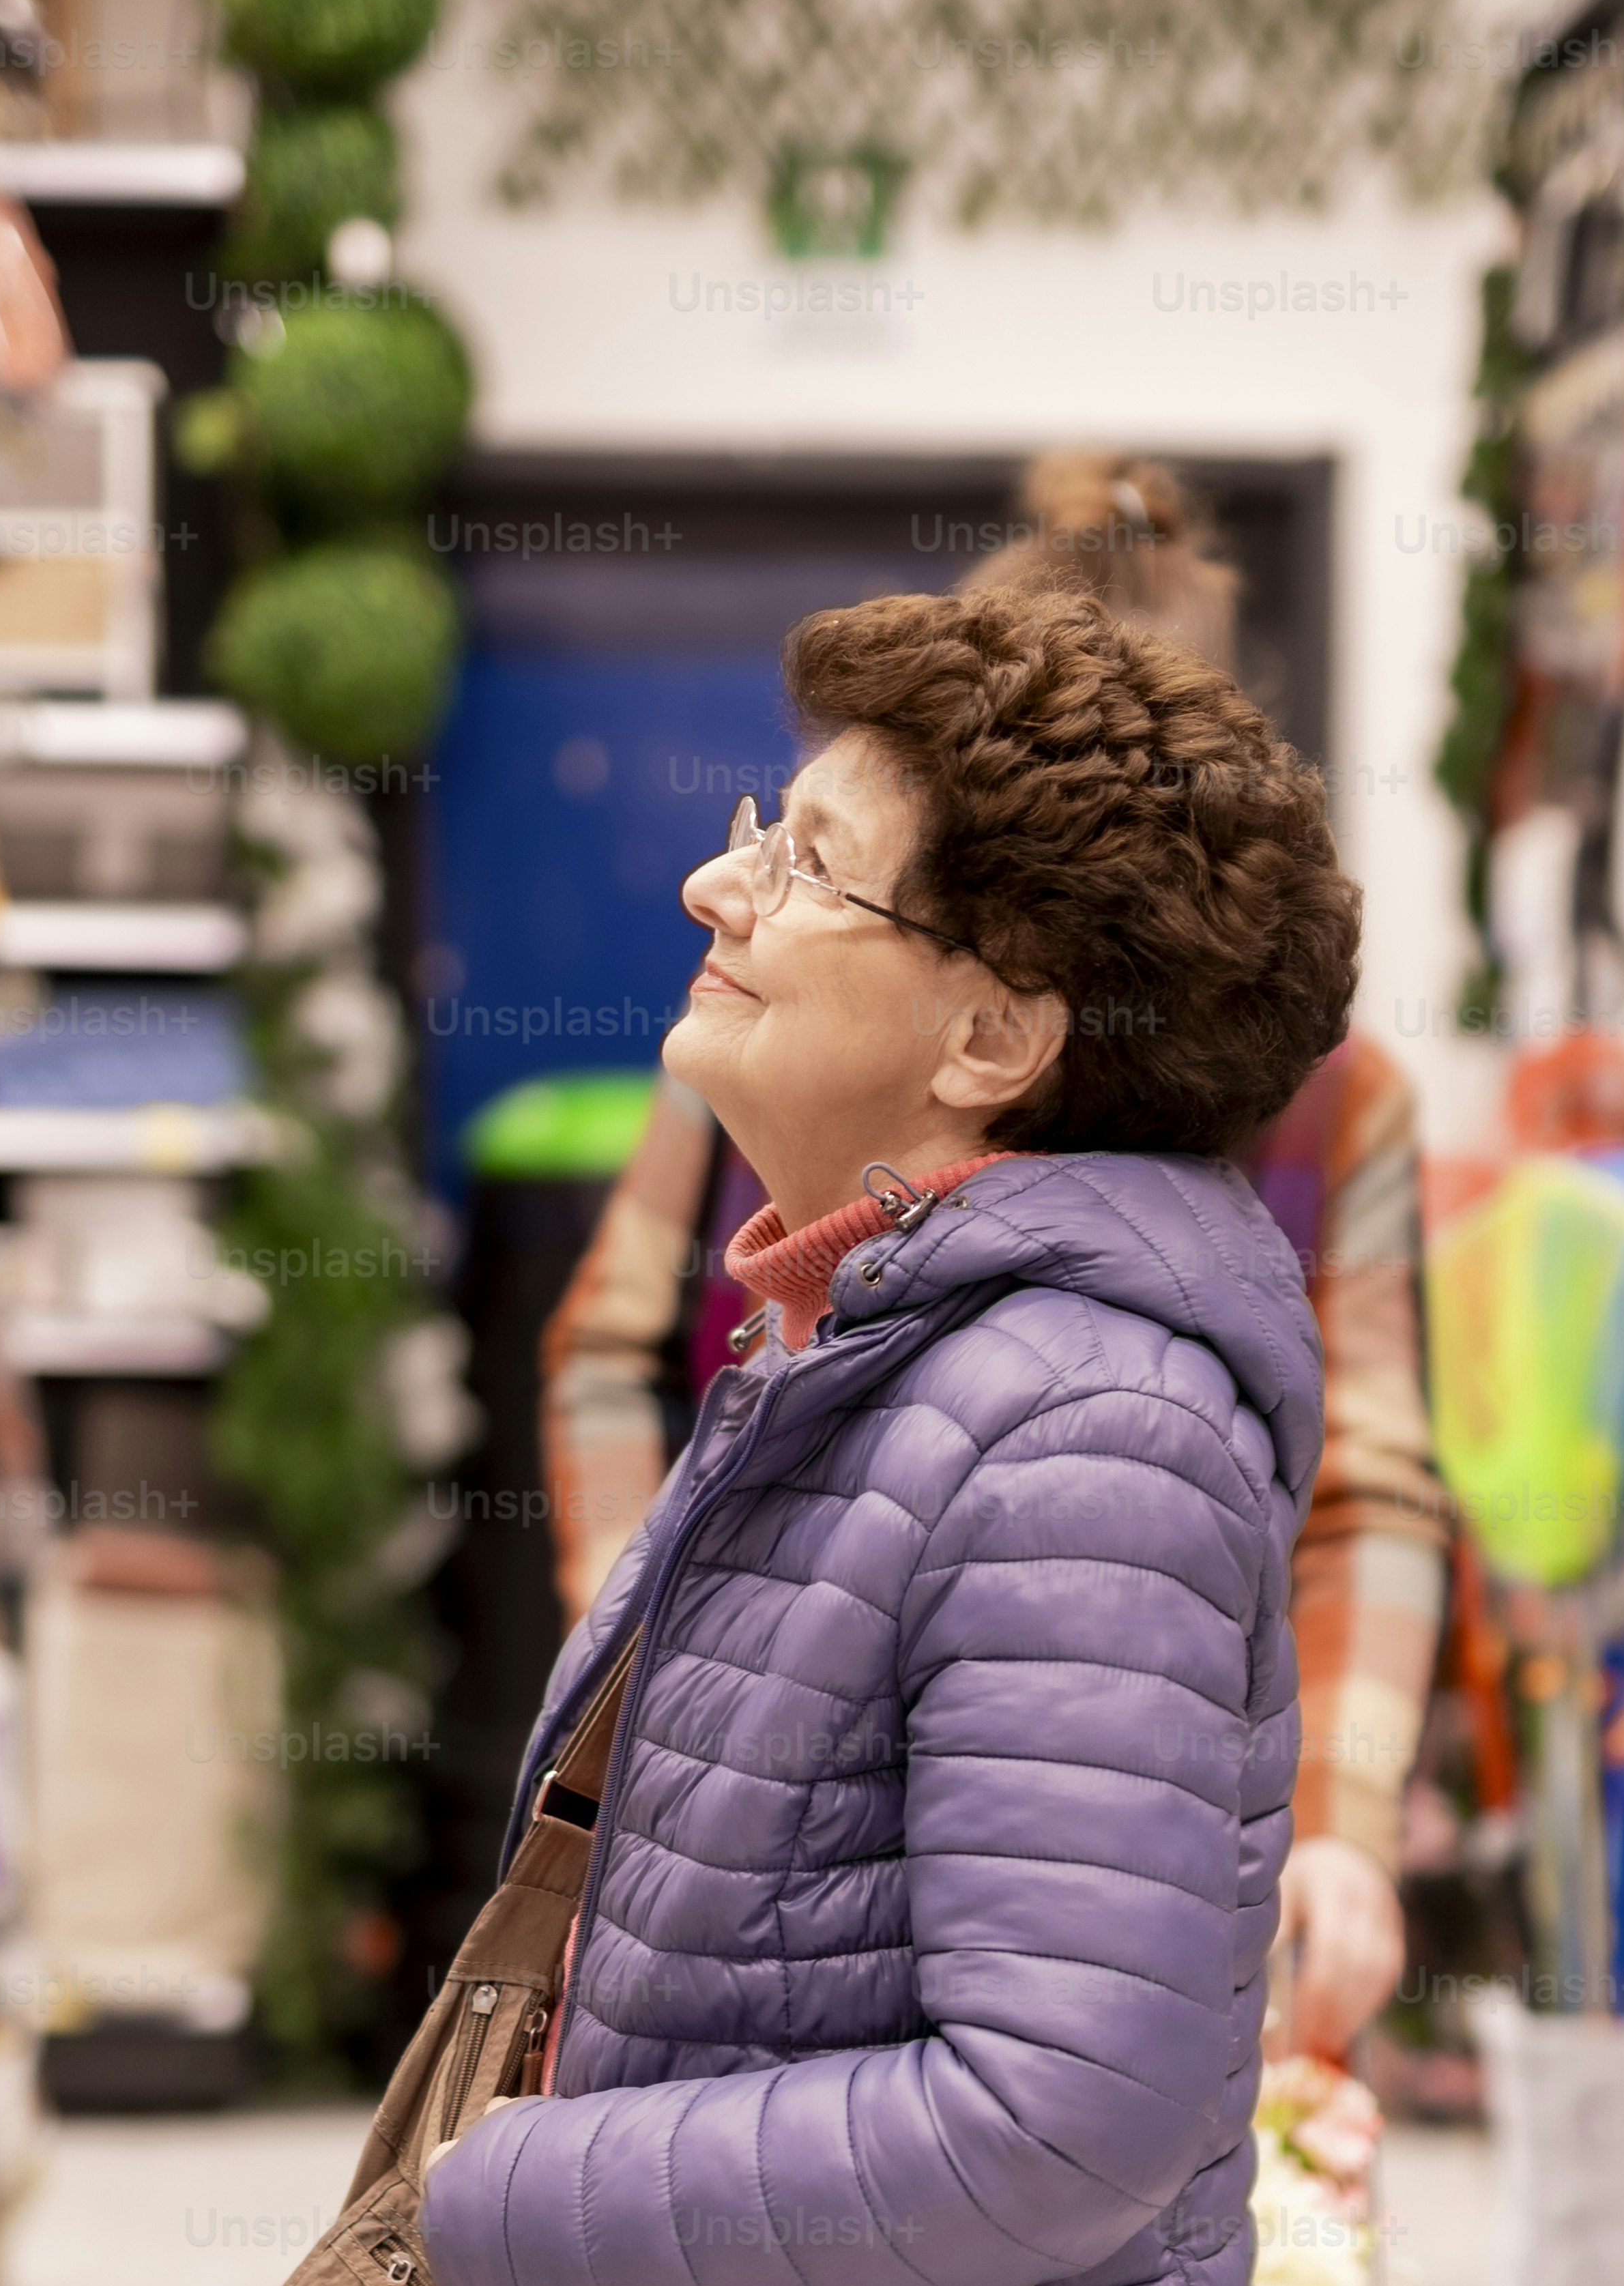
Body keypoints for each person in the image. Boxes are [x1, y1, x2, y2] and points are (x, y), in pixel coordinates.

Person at [418, 580, 1354, 2286]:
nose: (721, 889)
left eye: (805, 857)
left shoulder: (1076, 1428)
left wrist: (526, 2205)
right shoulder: (873, 1341)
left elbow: (1066, 2098)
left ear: (989, 1033)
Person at [539, 452, 1450, 2056]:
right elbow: (607, 1354)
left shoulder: (1146, 1371)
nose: (724, 890)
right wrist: (638, 1657)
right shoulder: (761, 1046)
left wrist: (1342, 1818)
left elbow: (1035, 2103)